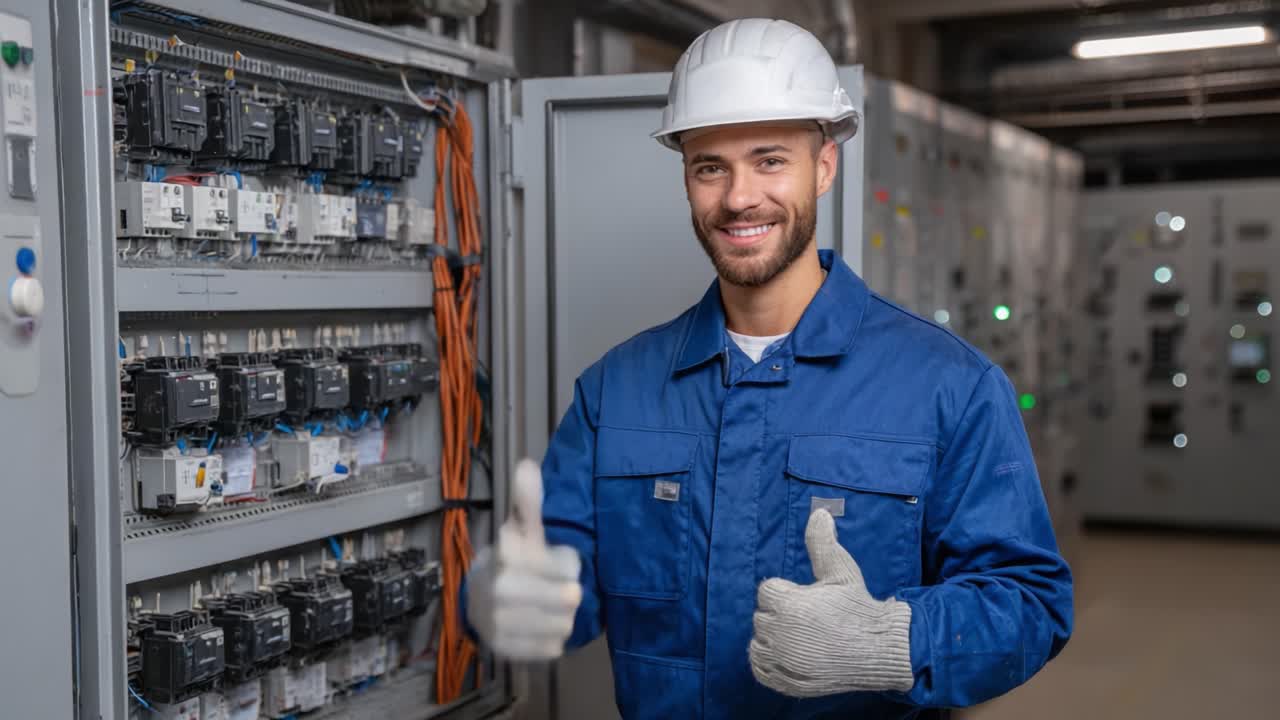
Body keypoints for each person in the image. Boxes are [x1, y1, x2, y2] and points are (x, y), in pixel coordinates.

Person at [465, 17, 1073, 720]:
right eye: (709, 167)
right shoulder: (617, 391)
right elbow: (560, 578)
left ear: (824, 165)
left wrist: (894, 641)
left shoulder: (948, 387)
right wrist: (500, 596)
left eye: (769, 160)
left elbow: (1031, 601)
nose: (738, 197)